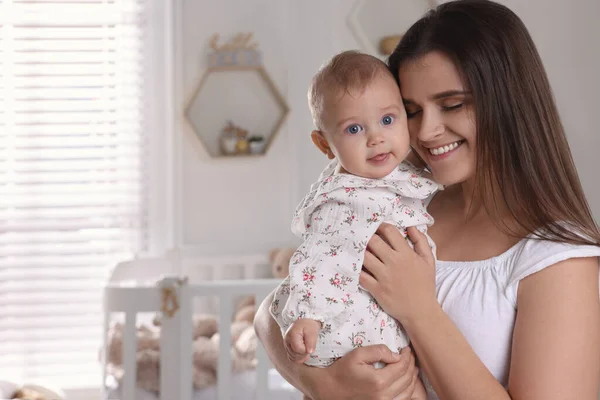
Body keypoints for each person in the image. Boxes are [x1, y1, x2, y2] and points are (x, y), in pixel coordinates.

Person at [254, 1, 600, 399]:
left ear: (508, 100)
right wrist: (323, 383)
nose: (428, 130)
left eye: (452, 104)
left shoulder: (556, 256)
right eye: (411, 111)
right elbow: (275, 308)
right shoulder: (402, 203)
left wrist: (419, 310)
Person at [269, 50, 440, 399]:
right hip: (352, 330)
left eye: (388, 120)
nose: (375, 137)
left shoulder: (402, 178)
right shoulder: (342, 200)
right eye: (354, 129)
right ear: (324, 144)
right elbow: (317, 258)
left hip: (387, 327)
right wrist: (307, 317)